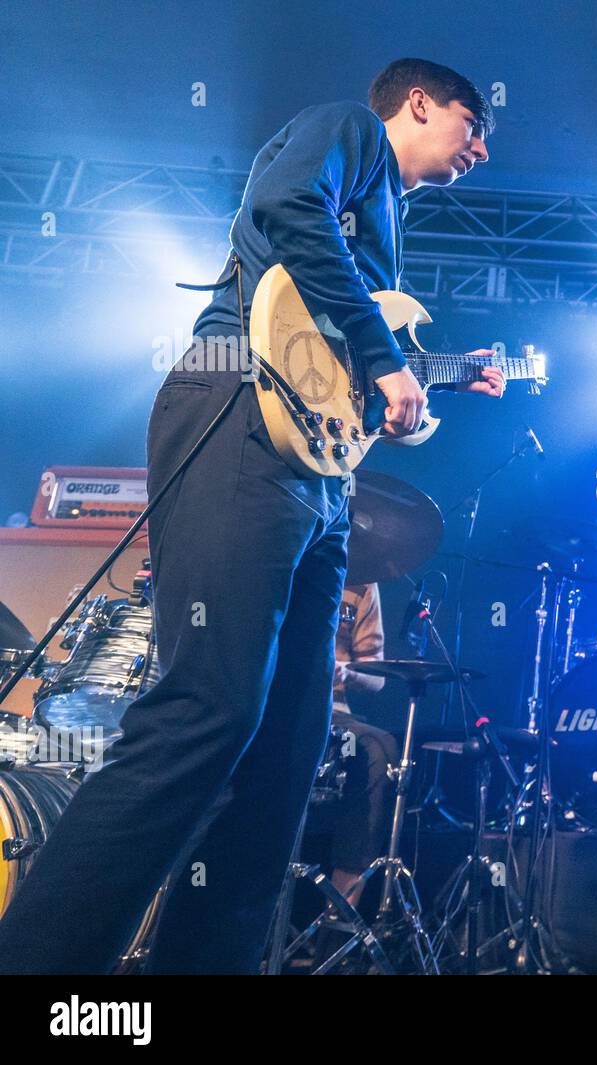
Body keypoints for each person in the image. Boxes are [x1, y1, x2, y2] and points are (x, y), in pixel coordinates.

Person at [0, 58, 502, 974]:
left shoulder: (388, 222)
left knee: (285, 752)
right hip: (236, 408)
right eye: (474, 124)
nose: (481, 146)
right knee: (207, 708)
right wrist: (387, 359)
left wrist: (432, 377)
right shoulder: (347, 128)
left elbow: (348, 361)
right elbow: (284, 204)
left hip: (317, 476)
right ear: (419, 104)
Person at [326, 582, 396, 908]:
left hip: (334, 717)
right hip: (272, 704)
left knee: (376, 749)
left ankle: (339, 920)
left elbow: (377, 675)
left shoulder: (364, 583)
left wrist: (347, 672)